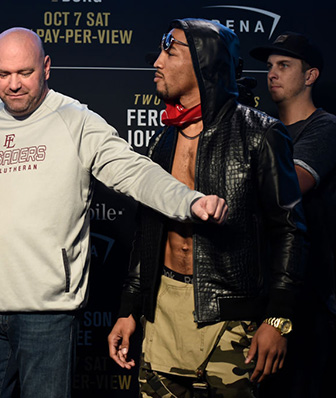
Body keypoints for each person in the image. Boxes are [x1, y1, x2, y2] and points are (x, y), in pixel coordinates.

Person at [0, 27, 228, 398]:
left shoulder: (76, 120)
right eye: (3, 74)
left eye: (25, 73)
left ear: (46, 67)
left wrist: (188, 201)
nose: (13, 84)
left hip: (48, 314)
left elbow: (134, 171)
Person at [107, 19, 307, 397]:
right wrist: (129, 309)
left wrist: (278, 318)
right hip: (162, 315)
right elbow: (146, 233)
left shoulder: (260, 134)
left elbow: (290, 230)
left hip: (231, 321)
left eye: (171, 52)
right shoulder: (161, 142)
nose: (158, 63)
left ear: (204, 63)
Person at [251, 31, 336, 398]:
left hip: (311, 295)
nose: (272, 73)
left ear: (311, 76)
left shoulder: (325, 127)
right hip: (263, 289)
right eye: (270, 66)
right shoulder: (262, 130)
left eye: (284, 65)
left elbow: (290, 185)